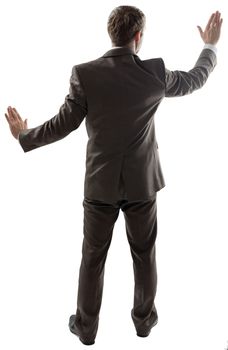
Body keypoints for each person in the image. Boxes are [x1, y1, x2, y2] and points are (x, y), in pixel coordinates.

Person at [5, 6, 223, 346]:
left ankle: (86, 329)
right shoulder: (155, 73)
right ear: (138, 37)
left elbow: (62, 125)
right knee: (144, 253)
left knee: (92, 257)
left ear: (112, 34)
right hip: (142, 186)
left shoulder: (85, 74)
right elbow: (196, 78)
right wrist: (210, 46)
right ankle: (143, 323)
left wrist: (24, 135)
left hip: (100, 187)